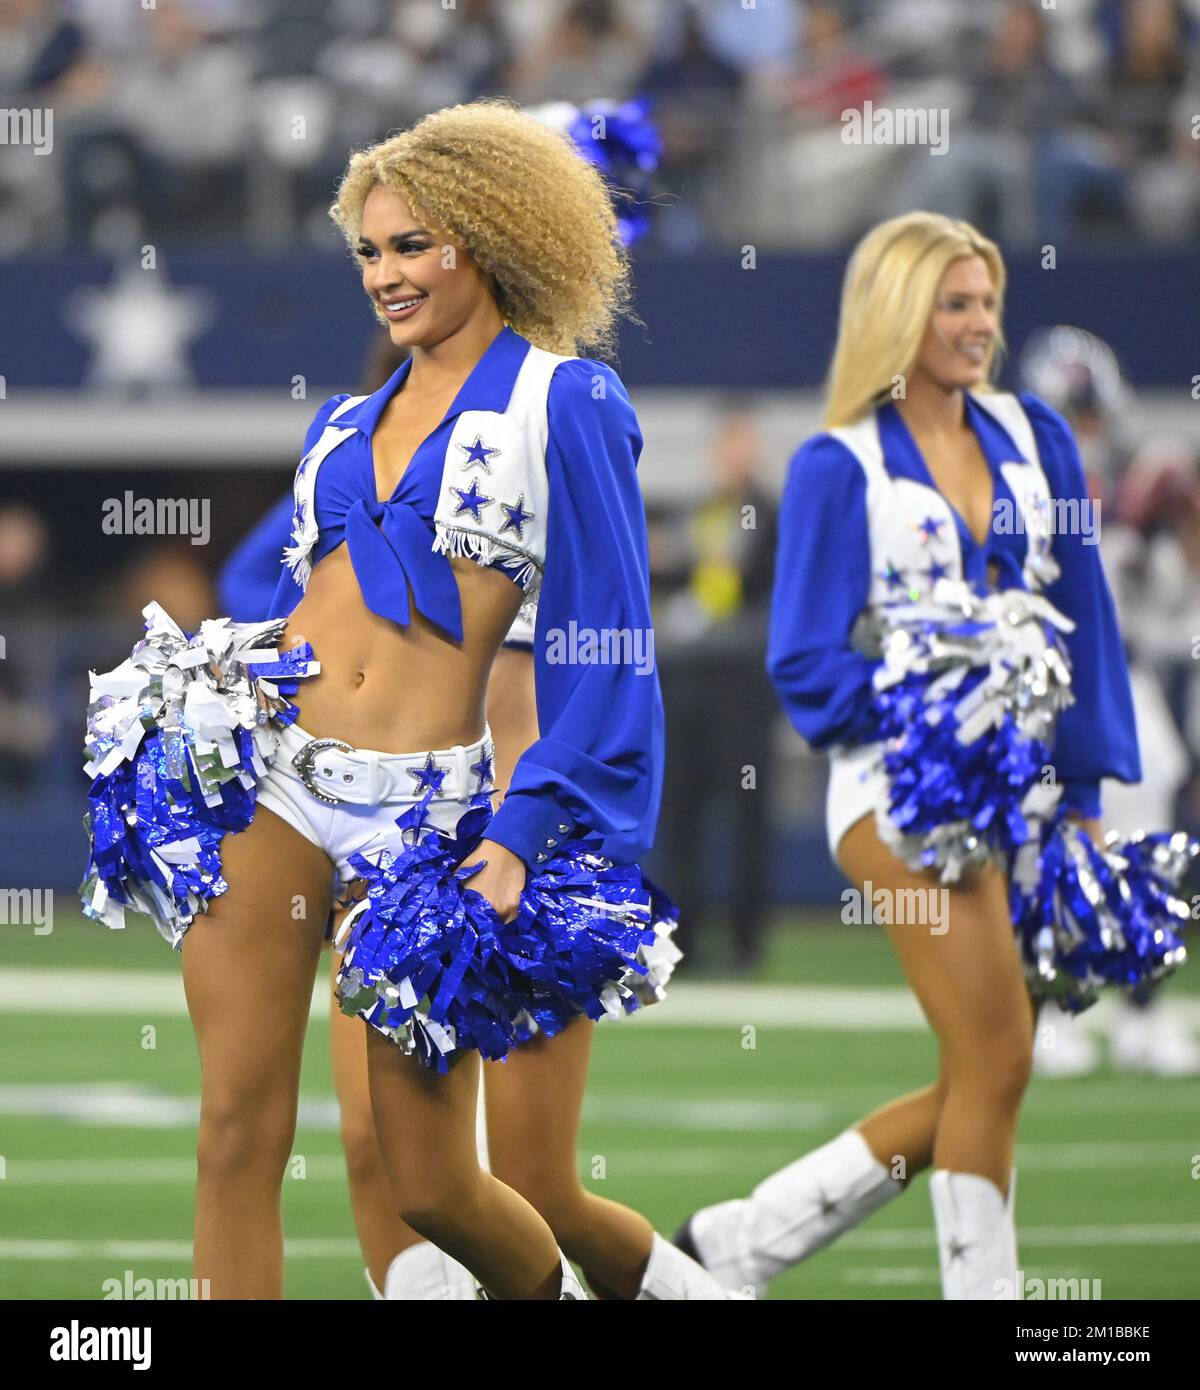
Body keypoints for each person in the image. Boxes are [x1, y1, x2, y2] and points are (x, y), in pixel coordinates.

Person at [81, 98, 687, 1301]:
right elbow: (312, 608)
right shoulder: (342, 421)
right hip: (271, 781)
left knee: (428, 1183)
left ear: (491, 236)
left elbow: (610, 645)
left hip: (427, 824)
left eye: (413, 245)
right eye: (368, 250)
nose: (385, 274)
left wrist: (525, 831)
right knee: (235, 1136)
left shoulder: (567, 403)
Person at [675, 210, 1142, 1299]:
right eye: (954, 305)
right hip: (898, 791)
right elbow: (804, 660)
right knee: (997, 1057)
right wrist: (933, 719)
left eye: (987, 304)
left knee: (990, 1066)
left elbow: (1084, 615)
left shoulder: (1040, 439)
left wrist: (1080, 796)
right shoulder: (840, 466)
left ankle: (747, 1241)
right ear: (896, 315)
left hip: (1026, 797)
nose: (980, 326)